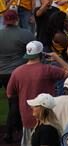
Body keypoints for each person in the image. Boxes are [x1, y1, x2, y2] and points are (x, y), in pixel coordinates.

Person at [7, 40, 68, 146]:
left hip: (27, 118)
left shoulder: (17, 72)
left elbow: (10, 94)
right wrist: (57, 57)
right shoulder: (48, 69)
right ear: (41, 54)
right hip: (47, 117)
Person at [0, 10, 34, 143]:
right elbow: (35, 53)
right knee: (15, 102)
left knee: (13, 102)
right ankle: (10, 130)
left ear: (4, 21)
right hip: (17, 72)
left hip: (2, 72)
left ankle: (14, 128)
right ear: (17, 20)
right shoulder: (25, 34)